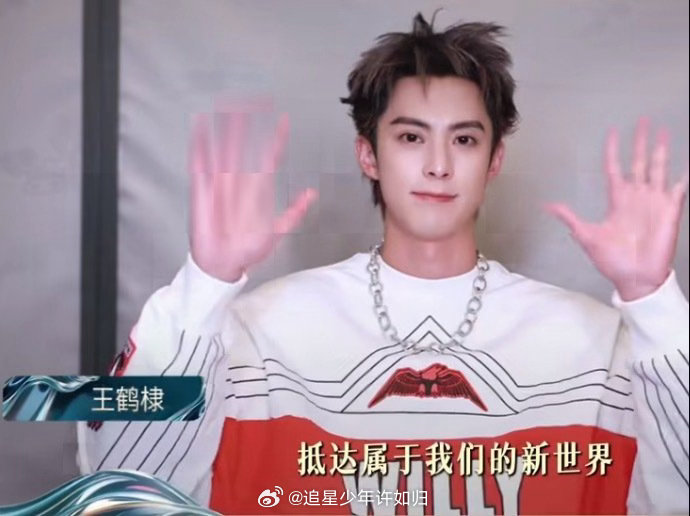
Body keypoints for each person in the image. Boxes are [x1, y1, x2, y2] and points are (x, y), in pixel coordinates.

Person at [76, 12, 689, 515]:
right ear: (368, 155)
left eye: (465, 139)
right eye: (411, 137)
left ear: (494, 160)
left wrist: (653, 300)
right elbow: (118, 488)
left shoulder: (594, 344)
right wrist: (205, 284)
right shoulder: (256, 334)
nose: (439, 165)